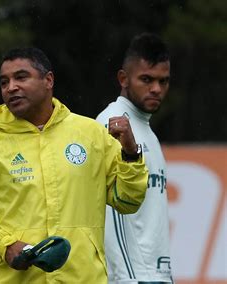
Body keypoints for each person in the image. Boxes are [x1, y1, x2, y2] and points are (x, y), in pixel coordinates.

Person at [0, 47, 149, 283]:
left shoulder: (91, 134)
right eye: (4, 82)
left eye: (21, 77)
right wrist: (4, 247)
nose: (11, 87)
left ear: (48, 80)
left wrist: (129, 153)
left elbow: (127, 201)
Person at [97, 33, 173, 283]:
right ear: (123, 79)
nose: (156, 89)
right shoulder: (111, 124)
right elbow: (110, 211)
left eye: (163, 81)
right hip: (132, 277)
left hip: (155, 274)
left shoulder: (146, 130)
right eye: (146, 79)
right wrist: (126, 279)